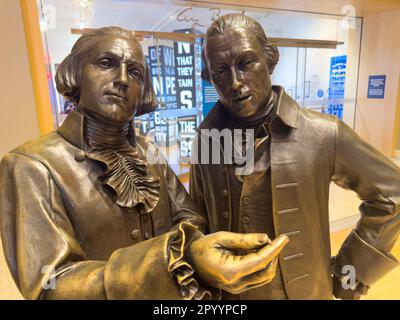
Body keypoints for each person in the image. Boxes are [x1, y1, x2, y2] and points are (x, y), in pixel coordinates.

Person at [0, 26, 288, 300]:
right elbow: (50, 285)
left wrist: (197, 253)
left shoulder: (148, 152)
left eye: (135, 72)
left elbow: (189, 218)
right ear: (76, 73)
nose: (123, 79)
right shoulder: (31, 166)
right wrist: (172, 260)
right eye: (105, 63)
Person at [189, 14, 400, 300]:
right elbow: (197, 221)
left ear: (270, 60)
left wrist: (352, 274)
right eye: (221, 70)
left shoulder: (323, 133)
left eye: (246, 63)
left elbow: (393, 194)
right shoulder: (205, 140)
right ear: (209, 76)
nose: (236, 82)